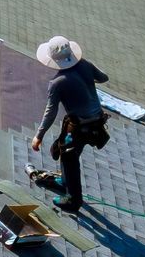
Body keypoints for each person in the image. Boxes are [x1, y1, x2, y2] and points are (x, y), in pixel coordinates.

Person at [28, 35, 109, 213]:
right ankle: (65, 181)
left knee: (69, 157)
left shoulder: (57, 83)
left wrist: (38, 136)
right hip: (97, 122)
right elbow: (103, 78)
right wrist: (85, 78)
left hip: (80, 126)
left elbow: (51, 112)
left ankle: (73, 200)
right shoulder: (85, 65)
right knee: (67, 152)